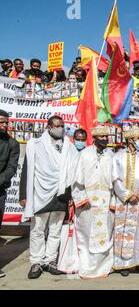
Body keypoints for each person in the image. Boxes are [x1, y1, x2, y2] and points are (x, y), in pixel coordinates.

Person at [19, 116, 78, 279]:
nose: (60, 129)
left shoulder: (69, 146)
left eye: (62, 126)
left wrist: (72, 195)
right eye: (57, 126)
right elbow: (27, 170)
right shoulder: (35, 145)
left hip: (61, 195)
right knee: (38, 230)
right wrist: (23, 194)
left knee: (55, 230)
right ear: (48, 127)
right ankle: (36, 262)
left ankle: (50, 260)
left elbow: (73, 172)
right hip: (40, 194)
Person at [71, 126, 115, 279]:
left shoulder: (111, 155)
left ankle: (104, 267)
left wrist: (113, 201)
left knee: (106, 234)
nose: (104, 139)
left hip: (105, 202)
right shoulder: (84, 154)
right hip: (88, 203)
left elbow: (115, 181)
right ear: (95, 138)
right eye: (101, 137)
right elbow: (76, 181)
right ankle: (87, 268)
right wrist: (81, 199)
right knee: (87, 234)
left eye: (106, 137)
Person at [111, 126, 139, 276]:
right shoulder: (118, 156)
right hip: (125, 201)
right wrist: (128, 195)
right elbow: (115, 179)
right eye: (138, 138)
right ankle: (124, 263)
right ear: (130, 140)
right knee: (123, 232)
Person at [0, 110, 20, 279]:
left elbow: (11, 168)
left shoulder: (13, 144)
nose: (5, 125)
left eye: (6, 122)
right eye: (1, 122)